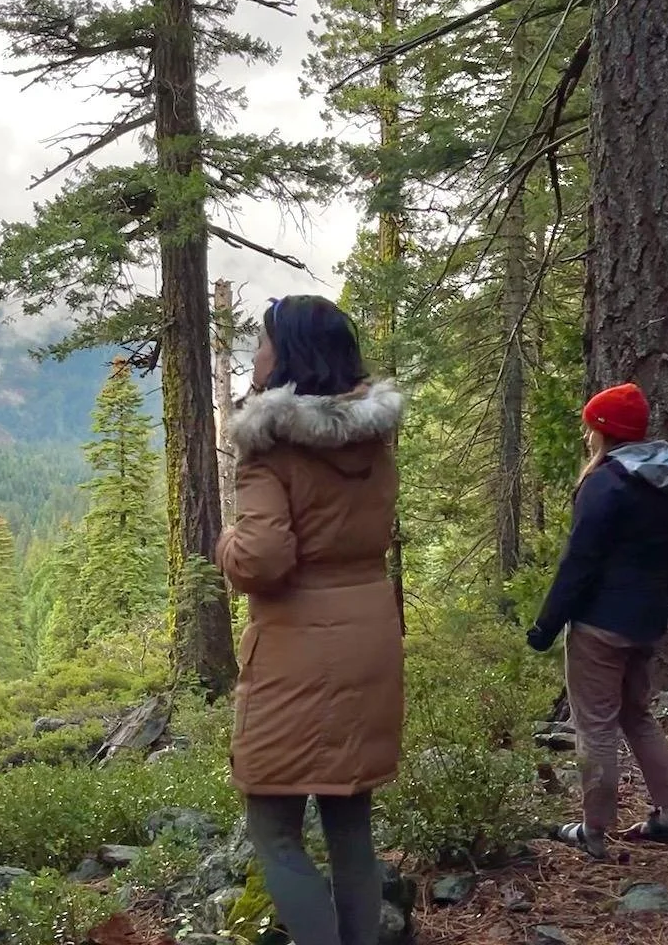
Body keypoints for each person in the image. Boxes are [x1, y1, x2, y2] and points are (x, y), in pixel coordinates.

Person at [215, 294, 404, 945]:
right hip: (369, 634)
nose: (255, 356)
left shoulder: (269, 445)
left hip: (297, 647)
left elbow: (263, 557)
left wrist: (224, 546)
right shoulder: (374, 437)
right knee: (351, 827)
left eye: (262, 343)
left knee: (274, 831)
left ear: (289, 353)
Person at [526, 382, 668, 860]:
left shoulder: (605, 483)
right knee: (637, 717)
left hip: (600, 625)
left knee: (596, 726)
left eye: (591, 429)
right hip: (644, 621)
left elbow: (579, 562)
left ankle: (594, 831)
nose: (587, 438)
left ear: (605, 432)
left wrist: (546, 625)